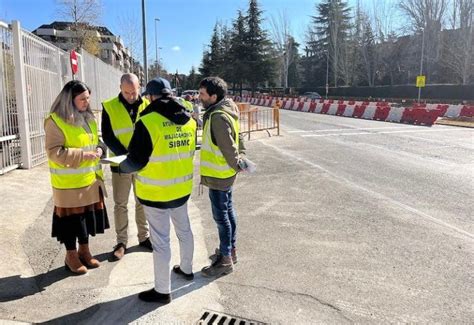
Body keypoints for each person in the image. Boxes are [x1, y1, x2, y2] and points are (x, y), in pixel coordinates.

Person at [118, 77, 196, 304]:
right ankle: (187, 269)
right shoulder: (189, 121)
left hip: (156, 193)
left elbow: (137, 161)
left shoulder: (147, 122)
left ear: (150, 97)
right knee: (184, 231)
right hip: (181, 189)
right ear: (170, 94)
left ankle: (162, 291)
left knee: (161, 242)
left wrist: (122, 165)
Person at [44, 80, 109, 275]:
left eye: (88, 98)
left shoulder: (88, 118)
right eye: (82, 99)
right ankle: (71, 255)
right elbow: (54, 152)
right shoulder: (54, 120)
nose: (86, 102)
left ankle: (84, 251)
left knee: (86, 220)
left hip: (89, 180)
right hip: (68, 184)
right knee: (70, 222)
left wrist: (99, 149)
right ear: (69, 100)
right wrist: (83, 155)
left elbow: (97, 140)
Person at [198, 77, 246, 277]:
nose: (199, 97)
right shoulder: (227, 109)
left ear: (213, 96)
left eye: (202, 94)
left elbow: (227, 146)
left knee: (221, 217)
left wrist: (237, 162)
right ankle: (230, 251)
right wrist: (241, 159)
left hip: (219, 175)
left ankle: (225, 259)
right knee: (228, 211)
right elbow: (239, 137)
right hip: (224, 174)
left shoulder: (217, 116)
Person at [102, 73, 152, 261]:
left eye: (134, 92)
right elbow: (107, 135)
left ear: (140, 87)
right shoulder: (109, 106)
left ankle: (144, 237)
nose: (131, 96)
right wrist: (125, 155)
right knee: (120, 204)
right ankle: (121, 242)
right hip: (121, 162)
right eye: (126, 92)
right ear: (120, 88)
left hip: (142, 163)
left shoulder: (148, 106)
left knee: (142, 201)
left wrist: (138, 155)